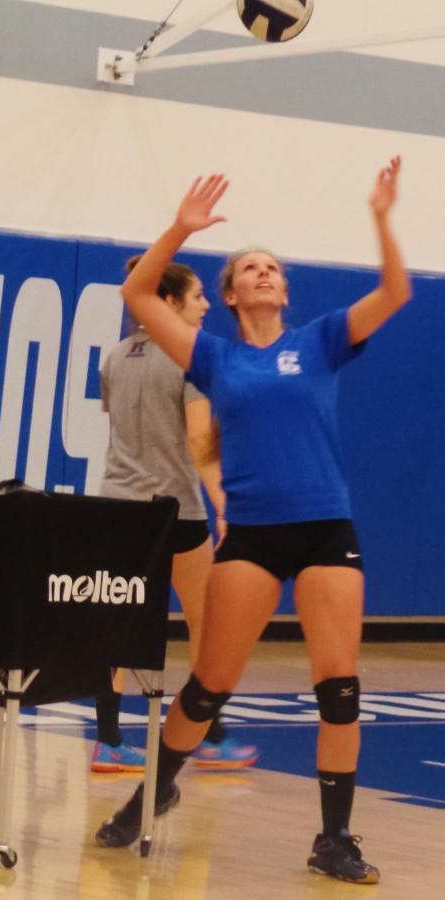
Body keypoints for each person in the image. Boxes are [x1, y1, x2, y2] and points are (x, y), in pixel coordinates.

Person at [95, 160, 411, 885]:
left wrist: (382, 215)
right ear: (231, 293)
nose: (263, 274)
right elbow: (138, 291)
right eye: (249, 268)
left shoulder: (323, 340)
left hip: (326, 526)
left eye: (272, 268)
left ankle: (333, 839)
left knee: (339, 687)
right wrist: (182, 226)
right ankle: (155, 790)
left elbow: (395, 292)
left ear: (283, 290)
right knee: (209, 684)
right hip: (254, 538)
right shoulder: (212, 356)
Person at [92, 256, 258, 773]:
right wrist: (226, 502)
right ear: (169, 302)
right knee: (208, 624)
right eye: (197, 296)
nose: (207, 304)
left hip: (117, 506)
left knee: (116, 626)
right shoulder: (191, 358)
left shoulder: (116, 357)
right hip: (175, 510)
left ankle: (108, 740)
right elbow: (198, 437)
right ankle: (208, 735)